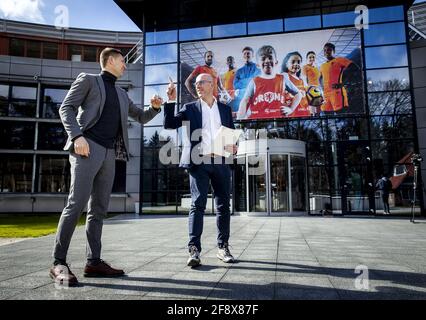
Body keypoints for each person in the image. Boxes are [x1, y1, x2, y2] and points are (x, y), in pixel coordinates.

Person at [50, 48, 162, 286]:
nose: (125, 65)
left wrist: (154, 107)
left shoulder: (122, 94)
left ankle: (94, 262)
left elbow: (140, 117)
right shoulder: (88, 80)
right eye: (123, 61)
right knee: (76, 203)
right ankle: (58, 262)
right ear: (110, 60)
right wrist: (77, 136)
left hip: (109, 153)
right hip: (86, 147)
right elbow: (66, 108)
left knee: (99, 209)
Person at [164, 74, 237, 268]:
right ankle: (194, 250)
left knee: (223, 207)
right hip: (199, 162)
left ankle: (223, 248)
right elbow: (169, 124)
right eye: (195, 84)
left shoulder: (225, 109)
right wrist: (170, 100)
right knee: (198, 205)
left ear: (212, 85)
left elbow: (231, 134)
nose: (197, 86)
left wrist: (234, 146)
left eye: (201, 83)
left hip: (221, 161)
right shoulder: (189, 109)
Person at [237, 45, 302, 120]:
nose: (267, 61)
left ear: (276, 62)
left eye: (270, 57)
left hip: (278, 123)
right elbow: (245, 101)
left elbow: (298, 94)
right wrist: (240, 120)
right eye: (263, 58)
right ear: (257, 64)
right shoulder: (254, 81)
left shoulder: (282, 79)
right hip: (258, 124)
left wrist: (291, 109)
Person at [319, 43, 354, 114]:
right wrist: (323, 88)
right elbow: (320, 78)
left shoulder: (339, 60)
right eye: (325, 50)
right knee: (326, 115)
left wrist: (342, 84)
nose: (326, 52)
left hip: (337, 93)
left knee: (340, 114)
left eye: (329, 50)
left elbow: (354, 68)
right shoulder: (323, 65)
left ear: (334, 51)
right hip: (326, 95)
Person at [280, 51, 314, 118]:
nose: (296, 64)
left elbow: (305, 98)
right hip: (293, 115)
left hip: (305, 114)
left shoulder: (301, 80)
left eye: (298, 62)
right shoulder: (284, 75)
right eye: (293, 62)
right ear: (286, 64)